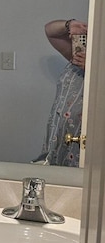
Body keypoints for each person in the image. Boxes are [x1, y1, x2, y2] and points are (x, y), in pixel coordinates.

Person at [34, 18, 87, 167]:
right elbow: (50, 31)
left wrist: (93, 68)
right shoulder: (78, 56)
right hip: (60, 141)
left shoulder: (91, 63)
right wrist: (70, 25)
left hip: (82, 149)